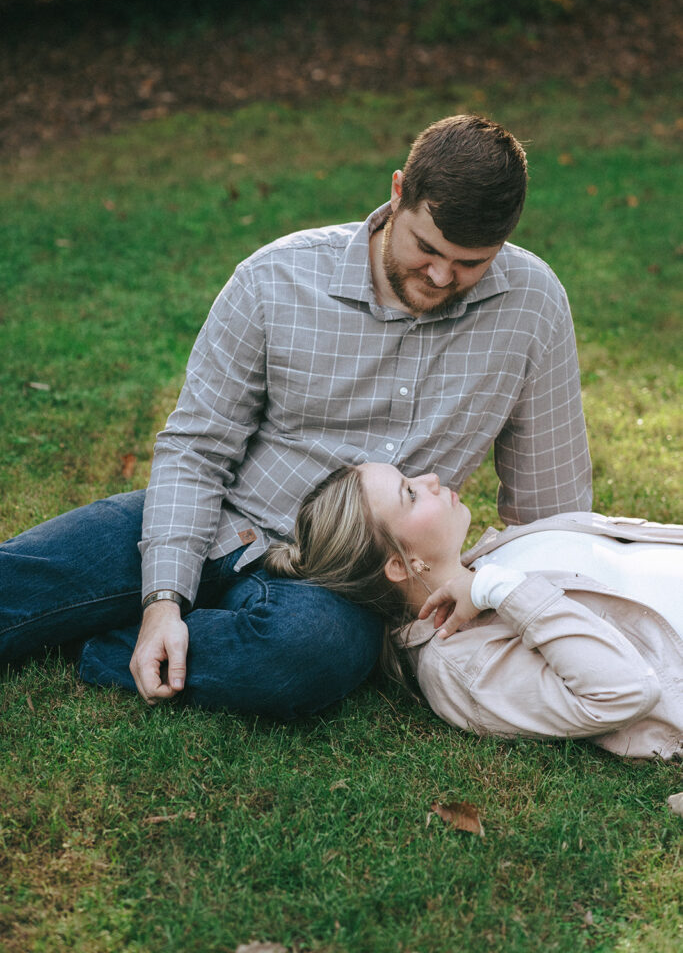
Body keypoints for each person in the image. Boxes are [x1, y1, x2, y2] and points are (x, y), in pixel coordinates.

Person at [1, 114, 592, 718]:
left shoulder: (533, 304)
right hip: (224, 518)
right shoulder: (275, 278)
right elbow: (197, 449)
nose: (442, 276)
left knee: (306, 656)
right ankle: (157, 623)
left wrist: (551, 616)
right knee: (15, 581)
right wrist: (161, 598)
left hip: (338, 586)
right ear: (396, 195)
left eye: (471, 263)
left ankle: (109, 646)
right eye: (428, 249)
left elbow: (551, 507)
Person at [266, 463, 683, 759]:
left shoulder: (485, 560)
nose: (429, 478)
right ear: (403, 564)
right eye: (409, 494)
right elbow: (623, 693)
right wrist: (495, 589)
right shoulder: (461, 663)